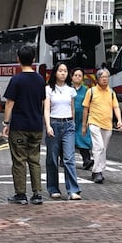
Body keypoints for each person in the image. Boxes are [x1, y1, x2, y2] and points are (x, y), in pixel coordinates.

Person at [2, 45, 46, 205]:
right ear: (33, 59)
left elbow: (9, 104)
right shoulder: (40, 80)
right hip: (36, 126)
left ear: (18, 59)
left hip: (19, 126)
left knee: (19, 160)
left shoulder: (16, 80)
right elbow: (42, 101)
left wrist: (6, 123)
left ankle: (20, 194)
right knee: (34, 160)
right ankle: (37, 193)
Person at [43, 62, 81, 200]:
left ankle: (73, 190)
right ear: (55, 73)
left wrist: (73, 123)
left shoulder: (70, 89)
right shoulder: (48, 89)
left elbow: (72, 109)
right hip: (54, 123)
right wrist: (48, 126)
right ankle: (53, 188)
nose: (63, 73)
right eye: (60, 71)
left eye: (65, 71)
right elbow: (46, 109)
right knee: (52, 159)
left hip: (68, 124)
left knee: (69, 158)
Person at [81, 67, 122, 184]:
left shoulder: (111, 93)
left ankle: (99, 170)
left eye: (106, 77)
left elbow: (116, 107)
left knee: (103, 148)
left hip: (107, 124)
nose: (105, 79)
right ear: (98, 79)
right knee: (98, 146)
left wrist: (119, 120)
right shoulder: (92, 91)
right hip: (94, 122)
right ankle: (96, 172)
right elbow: (85, 109)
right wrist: (84, 125)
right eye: (102, 77)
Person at [71, 67, 93, 170]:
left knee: (83, 137)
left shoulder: (86, 90)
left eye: (80, 75)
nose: (77, 77)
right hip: (69, 117)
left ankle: (86, 160)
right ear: (71, 77)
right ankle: (64, 159)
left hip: (82, 118)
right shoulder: (68, 89)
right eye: (75, 75)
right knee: (67, 139)